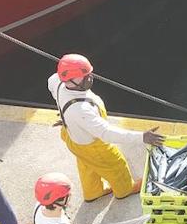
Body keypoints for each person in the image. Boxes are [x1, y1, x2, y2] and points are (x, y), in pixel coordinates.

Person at [49, 54, 164, 202]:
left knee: (87, 166)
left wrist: (66, 117)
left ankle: (93, 192)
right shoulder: (81, 110)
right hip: (93, 146)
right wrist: (141, 137)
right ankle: (125, 190)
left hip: (72, 138)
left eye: (89, 73)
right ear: (70, 80)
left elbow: (51, 84)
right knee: (116, 166)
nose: (89, 77)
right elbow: (105, 132)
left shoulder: (56, 82)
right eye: (84, 76)